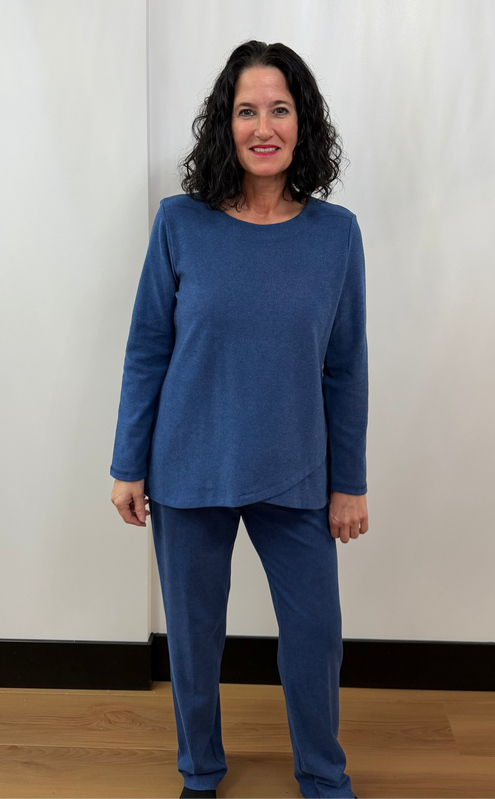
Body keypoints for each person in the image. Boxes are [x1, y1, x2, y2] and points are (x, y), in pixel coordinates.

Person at [110, 40, 369, 799]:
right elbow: (147, 348)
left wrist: (347, 482)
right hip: (187, 466)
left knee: (315, 636)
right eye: (246, 109)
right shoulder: (180, 224)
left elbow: (346, 367)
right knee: (193, 641)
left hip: (295, 469)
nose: (264, 125)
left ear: (302, 123)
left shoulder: (335, 235)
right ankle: (200, 770)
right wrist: (129, 461)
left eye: (279, 109)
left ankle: (323, 775)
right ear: (224, 125)